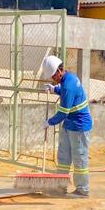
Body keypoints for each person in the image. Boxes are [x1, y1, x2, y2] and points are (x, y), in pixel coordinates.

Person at [40, 55, 93, 197]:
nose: (53, 79)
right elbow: (63, 90)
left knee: (79, 158)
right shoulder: (67, 79)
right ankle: (61, 186)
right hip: (69, 124)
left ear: (59, 70)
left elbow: (63, 112)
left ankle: (82, 189)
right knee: (63, 156)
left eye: (53, 76)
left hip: (79, 125)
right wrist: (54, 89)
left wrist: (49, 122)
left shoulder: (69, 84)